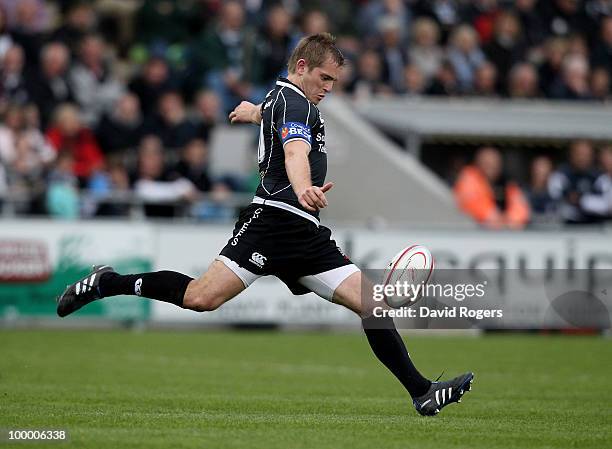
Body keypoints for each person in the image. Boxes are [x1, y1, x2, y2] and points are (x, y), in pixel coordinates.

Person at [55, 33, 473, 417]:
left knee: (373, 306)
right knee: (201, 298)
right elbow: (294, 152)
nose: (329, 87)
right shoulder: (296, 103)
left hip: (305, 235)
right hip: (272, 223)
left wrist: (251, 112)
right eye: (325, 78)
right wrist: (304, 187)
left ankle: (421, 391)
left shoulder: (279, 97)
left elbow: (271, 115)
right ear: (303, 67)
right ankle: (107, 283)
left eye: (335, 81)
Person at [454, 146, 531, 229]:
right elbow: (479, 209)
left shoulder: (506, 183)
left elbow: (521, 209)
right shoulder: (469, 178)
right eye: (487, 163)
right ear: (478, 163)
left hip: (501, 234)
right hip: (473, 233)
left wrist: (509, 221)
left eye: (495, 164)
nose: (491, 167)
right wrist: (501, 221)